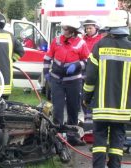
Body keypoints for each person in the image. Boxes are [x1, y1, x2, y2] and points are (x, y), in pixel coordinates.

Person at [83, 10, 131, 168]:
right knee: (118, 141)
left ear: (109, 28)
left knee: (99, 141)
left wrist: (86, 97)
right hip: (123, 109)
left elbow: (90, 77)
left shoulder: (100, 46)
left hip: (101, 107)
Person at [43, 17, 90, 146]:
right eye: (63, 28)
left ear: (73, 31)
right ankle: (56, 138)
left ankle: (72, 137)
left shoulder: (81, 43)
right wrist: (46, 73)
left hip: (74, 81)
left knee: (73, 109)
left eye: (66, 29)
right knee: (57, 109)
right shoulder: (56, 41)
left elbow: (88, 61)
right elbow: (47, 57)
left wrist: (77, 65)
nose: (63, 31)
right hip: (56, 80)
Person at [82, 18, 104, 121]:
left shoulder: (101, 40)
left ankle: (93, 120)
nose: (88, 30)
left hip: (96, 72)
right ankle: (87, 119)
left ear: (96, 28)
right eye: (86, 28)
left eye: (90, 28)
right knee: (84, 97)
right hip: (83, 72)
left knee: (94, 97)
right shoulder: (82, 39)